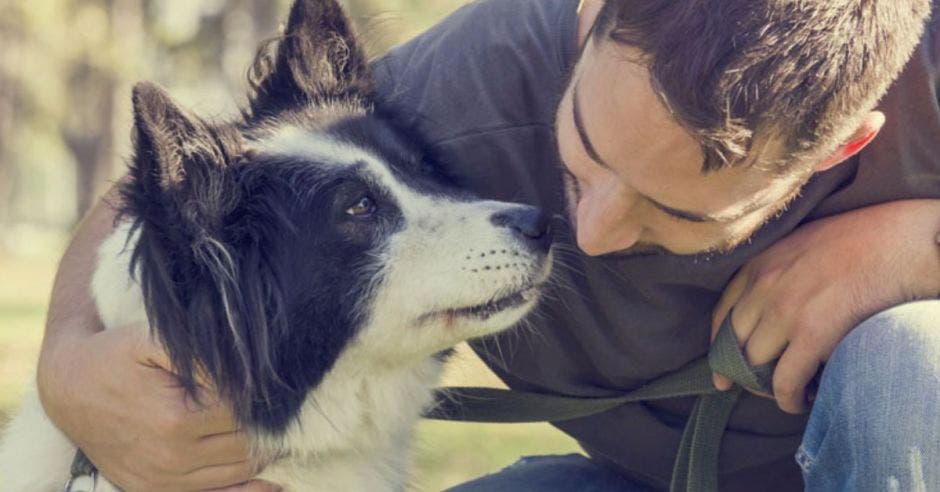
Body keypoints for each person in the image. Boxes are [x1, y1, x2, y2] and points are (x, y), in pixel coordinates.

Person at [36, 0, 940, 490]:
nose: (587, 236)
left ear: (839, 145)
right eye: (583, 163)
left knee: (906, 361)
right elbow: (200, 180)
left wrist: (912, 250)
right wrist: (68, 369)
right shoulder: (479, 75)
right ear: (589, 16)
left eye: (676, 213)